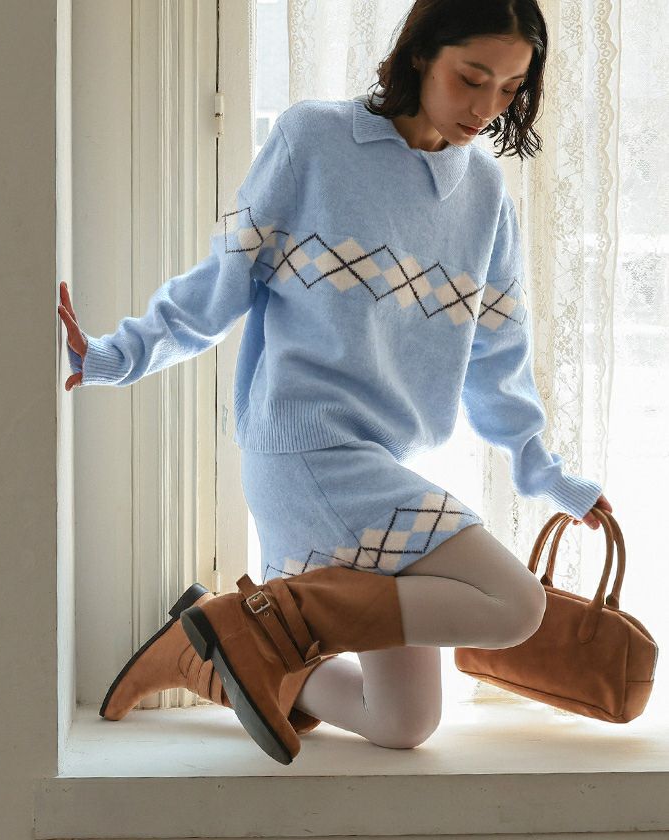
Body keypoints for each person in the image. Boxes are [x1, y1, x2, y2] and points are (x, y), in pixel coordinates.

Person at [58, 0, 613, 765]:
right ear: (421, 54)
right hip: (303, 451)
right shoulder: (315, 140)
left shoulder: (484, 197)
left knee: (403, 722)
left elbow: (498, 362)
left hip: (379, 467)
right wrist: (112, 355)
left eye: (510, 88)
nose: (486, 106)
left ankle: (212, 648)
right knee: (513, 603)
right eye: (471, 77)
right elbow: (220, 287)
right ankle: (250, 625)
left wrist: (546, 473)